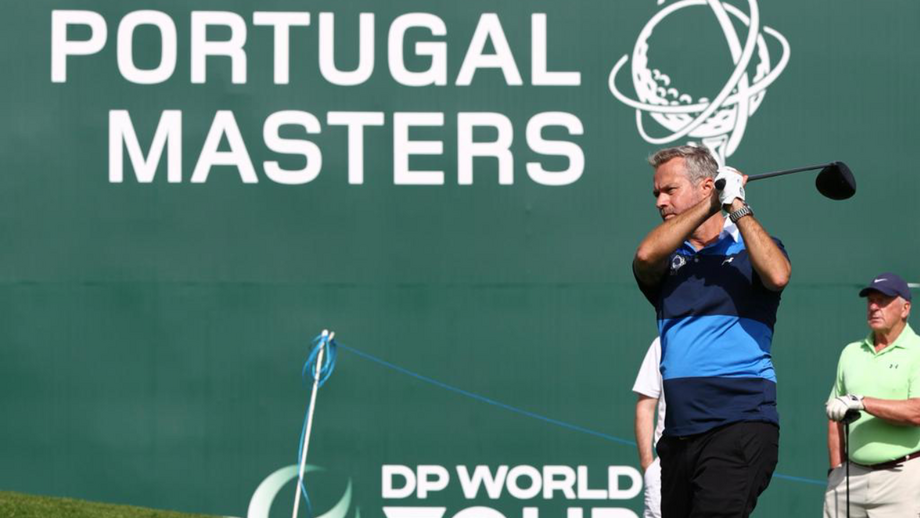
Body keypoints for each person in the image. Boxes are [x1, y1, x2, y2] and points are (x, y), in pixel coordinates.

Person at [632, 145, 791, 517]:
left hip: (739, 422)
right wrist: (713, 202)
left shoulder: (751, 249)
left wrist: (736, 205)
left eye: (670, 190)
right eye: (656, 193)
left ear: (706, 185)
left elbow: (777, 273)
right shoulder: (666, 259)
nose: (660, 201)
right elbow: (644, 256)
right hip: (678, 436)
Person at [823, 272, 920, 518]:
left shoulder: (917, 350)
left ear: (905, 308)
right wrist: (836, 470)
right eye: (871, 301)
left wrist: (863, 402)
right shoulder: (851, 352)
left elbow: (917, 412)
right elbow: (834, 416)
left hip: (902, 479)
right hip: (849, 478)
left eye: (883, 301)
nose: (874, 307)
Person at [633, 337, 666, 518]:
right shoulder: (664, 341)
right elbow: (645, 406)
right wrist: (649, 466)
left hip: (716, 467)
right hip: (666, 468)